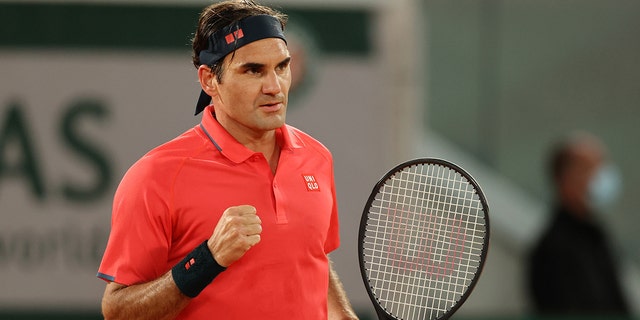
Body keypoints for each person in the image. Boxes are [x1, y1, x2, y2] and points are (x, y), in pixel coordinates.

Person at [97, 1, 359, 319]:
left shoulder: (316, 157)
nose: (274, 86)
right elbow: (118, 311)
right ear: (209, 80)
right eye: (253, 70)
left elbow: (311, 258)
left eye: (282, 67)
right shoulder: (156, 175)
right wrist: (207, 260)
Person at [528, 132, 630, 317]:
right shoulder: (551, 248)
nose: (601, 177)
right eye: (591, 169)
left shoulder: (597, 235)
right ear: (565, 179)